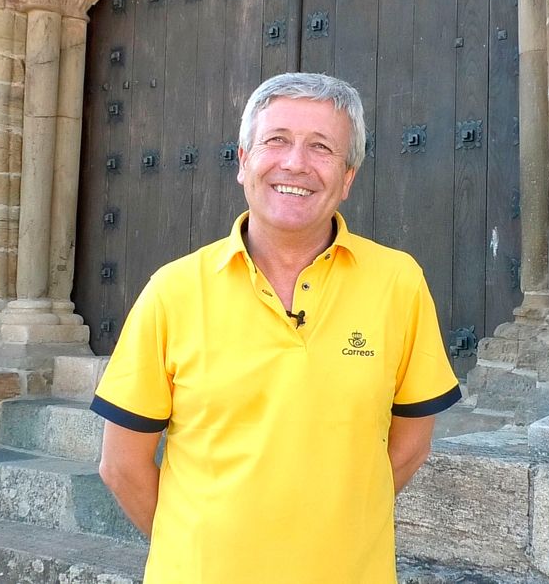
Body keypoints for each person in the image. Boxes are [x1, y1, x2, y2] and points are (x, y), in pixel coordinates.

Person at [92, 72, 461, 583]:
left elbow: (411, 446)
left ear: (348, 177)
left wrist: (335, 530)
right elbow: (122, 465)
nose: (295, 163)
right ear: (243, 163)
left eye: (322, 147)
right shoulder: (172, 290)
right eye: (276, 141)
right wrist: (204, 550)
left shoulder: (398, 283)